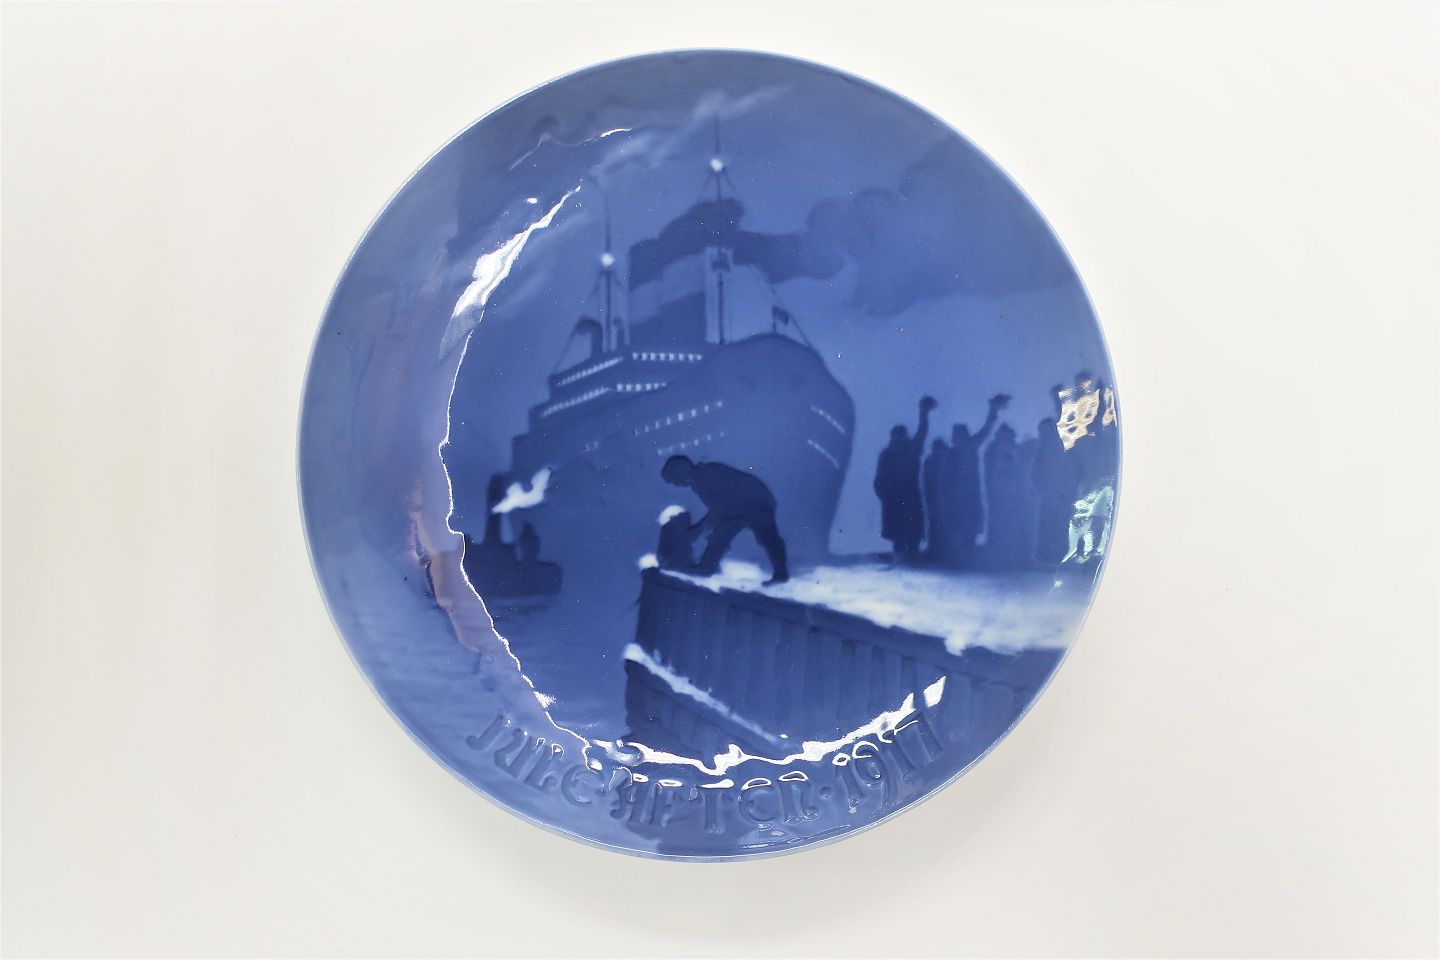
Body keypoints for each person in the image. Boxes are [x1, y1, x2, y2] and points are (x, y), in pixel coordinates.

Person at [661, 456, 790, 584]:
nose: (676, 485)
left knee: (768, 539)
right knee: (721, 536)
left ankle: (781, 574)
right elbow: (719, 510)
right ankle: (707, 567)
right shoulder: (701, 479)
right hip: (739, 509)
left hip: (756, 503)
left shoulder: (706, 476)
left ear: (682, 472)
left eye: (674, 480)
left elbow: (718, 510)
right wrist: (699, 530)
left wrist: (696, 531)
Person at [943, 393, 1010, 567]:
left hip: (967, 495)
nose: (954, 437)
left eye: (956, 434)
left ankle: (966, 559)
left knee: (967, 527)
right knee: (963, 527)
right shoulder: (956, 451)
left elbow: (987, 428)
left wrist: (993, 410)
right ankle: (963, 559)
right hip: (961, 496)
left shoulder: (969, 446)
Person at [873, 395, 937, 563]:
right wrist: (883, 494)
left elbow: (922, 431)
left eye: (899, 436)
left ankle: (909, 557)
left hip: (907, 497)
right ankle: (903, 557)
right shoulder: (888, 454)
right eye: (896, 436)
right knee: (900, 532)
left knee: (910, 530)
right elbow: (879, 478)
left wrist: (923, 411)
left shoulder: (911, 449)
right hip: (896, 499)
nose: (898, 439)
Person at [922, 437, 950, 563]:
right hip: (936, 499)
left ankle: (938, 551)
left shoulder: (932, 461)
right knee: (936, 524)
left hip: (939, 499)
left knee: (938, 524)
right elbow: (927, 481)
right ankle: (937, 551)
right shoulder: (933, 461)